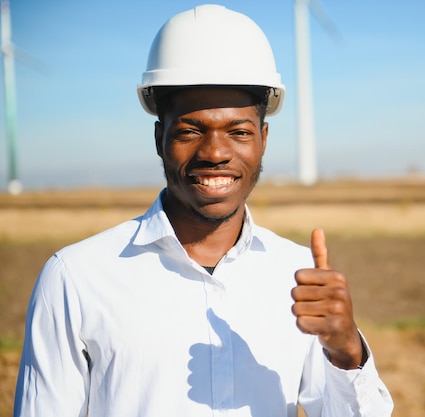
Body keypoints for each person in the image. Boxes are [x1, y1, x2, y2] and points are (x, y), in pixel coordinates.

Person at [13, 4, 393, 417]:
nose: (214, 153)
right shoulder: (76, 279)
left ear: (263, 139)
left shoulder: (299, 277)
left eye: (239, 132)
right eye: (191, 131)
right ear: (160, 138)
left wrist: (346, 348)